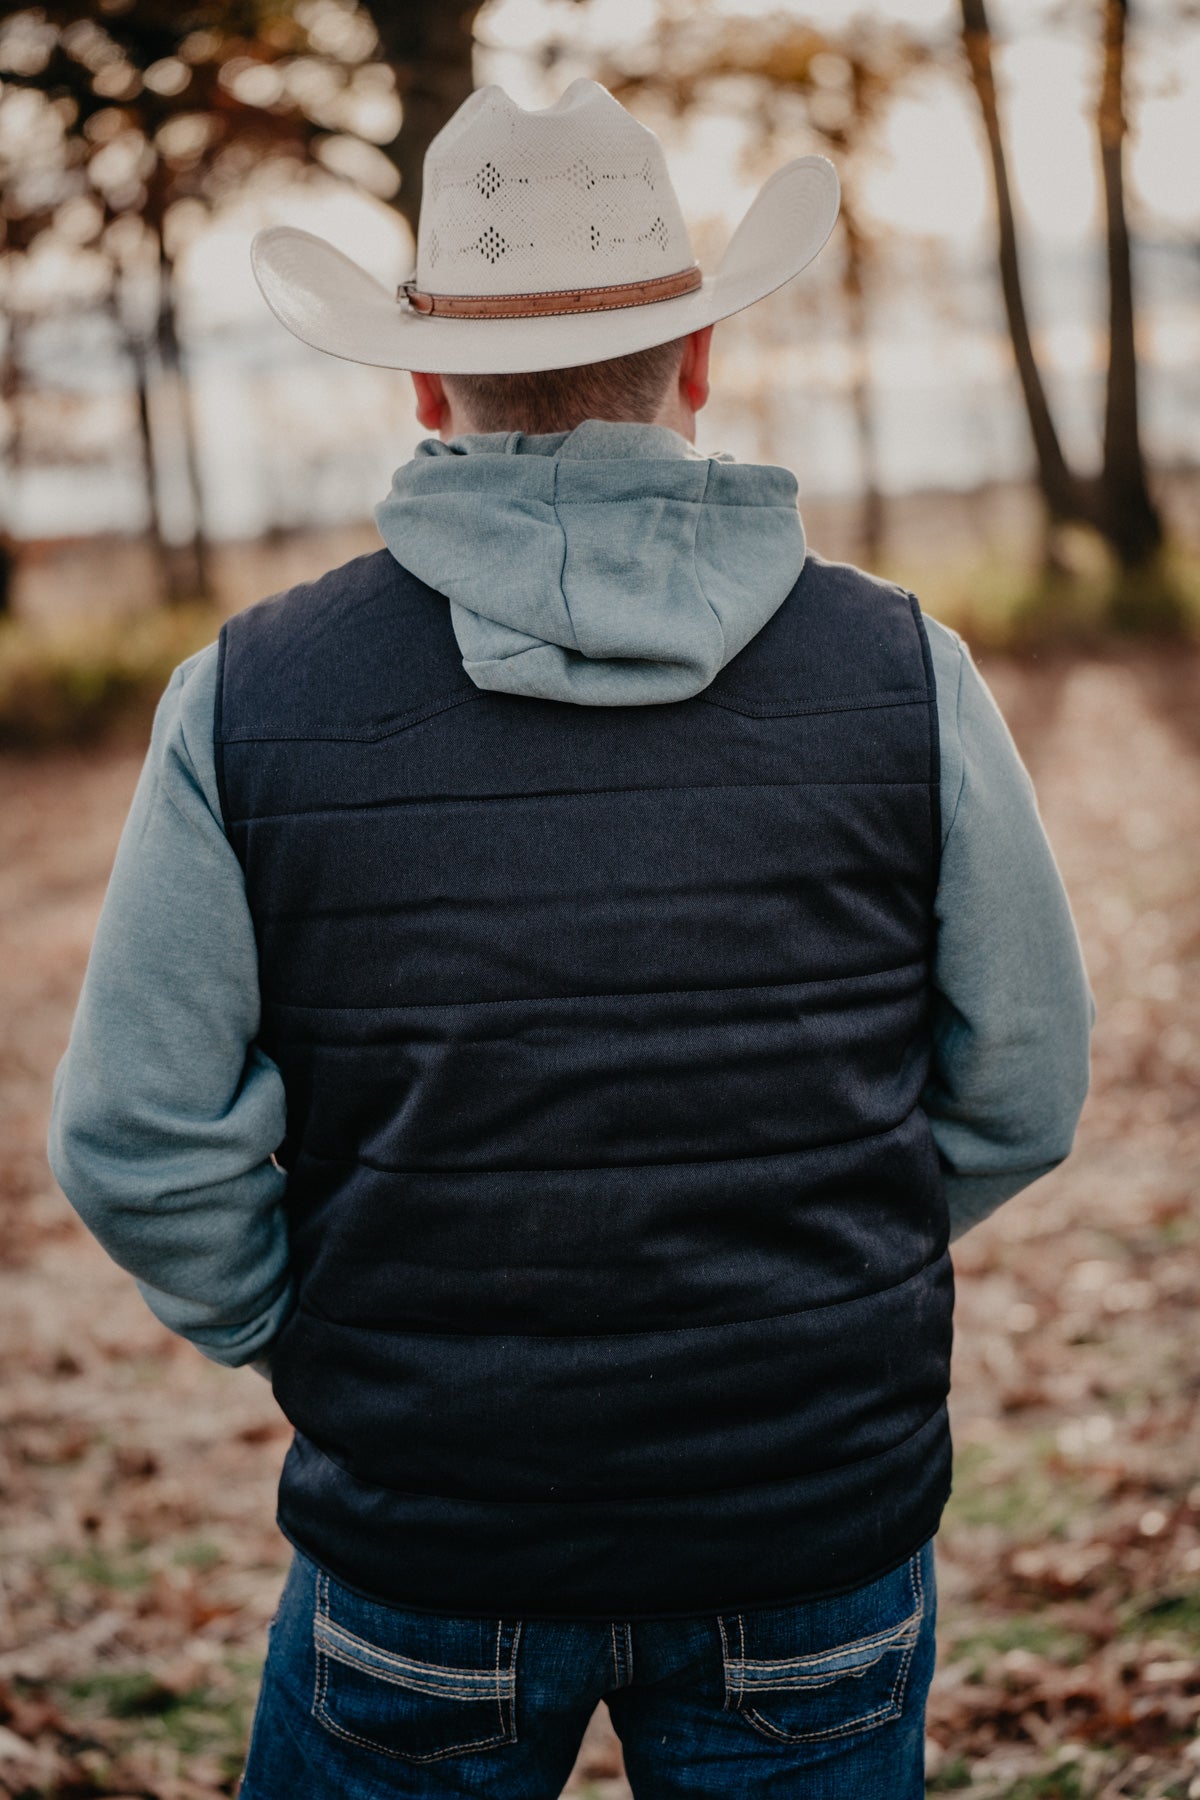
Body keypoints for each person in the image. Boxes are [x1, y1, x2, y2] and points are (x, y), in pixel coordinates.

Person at [48, 78, 1094, 1799]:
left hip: (429, 1535)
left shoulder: (244, 696)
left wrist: (329, 1335)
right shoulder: (906, 671)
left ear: (423, 384)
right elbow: (1026, 1088)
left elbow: (137, 1137)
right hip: (809, 1522)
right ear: (697, 364)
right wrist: (829, 1255)